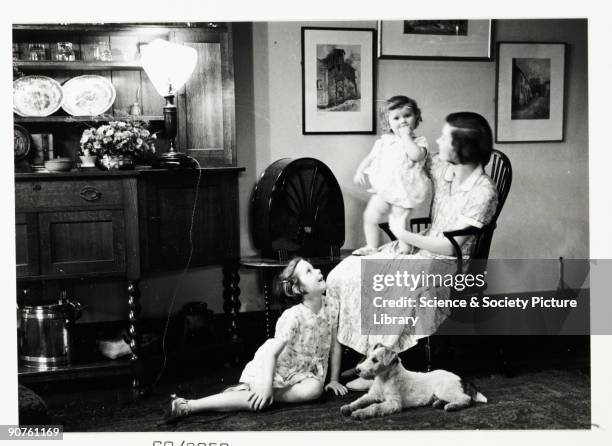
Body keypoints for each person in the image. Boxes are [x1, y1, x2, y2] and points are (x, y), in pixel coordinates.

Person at [327, 112, 499, 390]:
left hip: (448, 263)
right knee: (347, 272)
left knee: (393, 280)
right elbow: (410, 158)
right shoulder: (444, 165)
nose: (438, 141)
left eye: (445, 137)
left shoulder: (483, 192)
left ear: (461, 148)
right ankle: (366, 355)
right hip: (422, 246)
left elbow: (450, 245)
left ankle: (379, 367)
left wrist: (405, 235)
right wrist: (402, 135)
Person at [164, 258, 348, 422]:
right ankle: (189, 405)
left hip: (302, 374)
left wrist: (333, 379)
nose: (318, 271)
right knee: (259, 403)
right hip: (275, 367)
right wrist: (267, 384)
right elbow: (271, 352)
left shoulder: (331, 305)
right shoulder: (293, 316)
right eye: (309, 271)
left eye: (314, 268)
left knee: (315, 388)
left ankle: (256, 393)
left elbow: (334, 344)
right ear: (297, 289)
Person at [352, 95, 432, 256]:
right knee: (370, 215)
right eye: (396, 118)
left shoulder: (419, 141)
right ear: (388, 122)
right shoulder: (383, 141)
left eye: (407, 116)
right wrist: (360, 170)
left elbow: (416, 156)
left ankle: (405, 250)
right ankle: (372, 246)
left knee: (398, 222)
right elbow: (370, 157)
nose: (402, 121)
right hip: (384, 188)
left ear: (416, 118)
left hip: (404, 190)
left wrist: (406, 137)